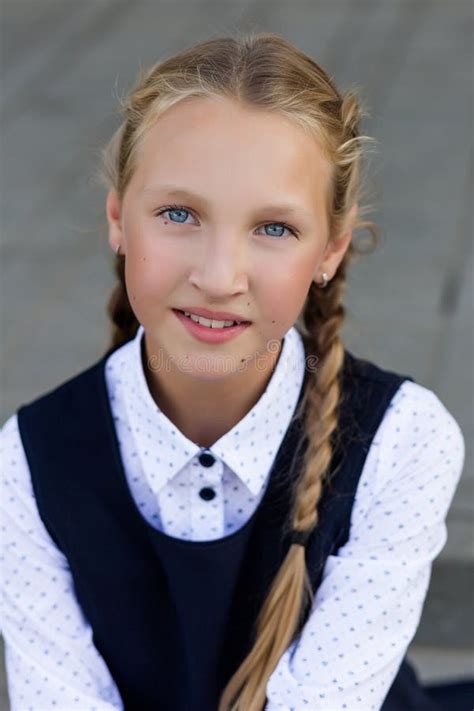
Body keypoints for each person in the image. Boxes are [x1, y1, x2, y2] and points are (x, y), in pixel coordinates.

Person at [0, 30, 467, 711]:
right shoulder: (27, 461)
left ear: (330, 250)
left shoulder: (403, 441)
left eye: (274, 227)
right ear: (117, 220)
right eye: (178, 213)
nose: (219, 276)